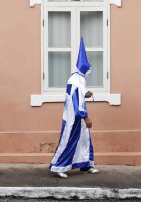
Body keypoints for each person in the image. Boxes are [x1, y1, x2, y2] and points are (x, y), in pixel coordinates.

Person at [49, 37, 99, 178]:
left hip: (78, 116)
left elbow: (79, 96)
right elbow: (76, 101)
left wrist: (87, 94)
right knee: (69, 140)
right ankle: (59, 167)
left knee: (84, 141)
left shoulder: (78, 79)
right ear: (84, 68)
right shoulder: (76, 81)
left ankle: (85, 165)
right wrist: (86, 116)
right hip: (74, 117)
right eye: (88, 68)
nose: (89, 71)